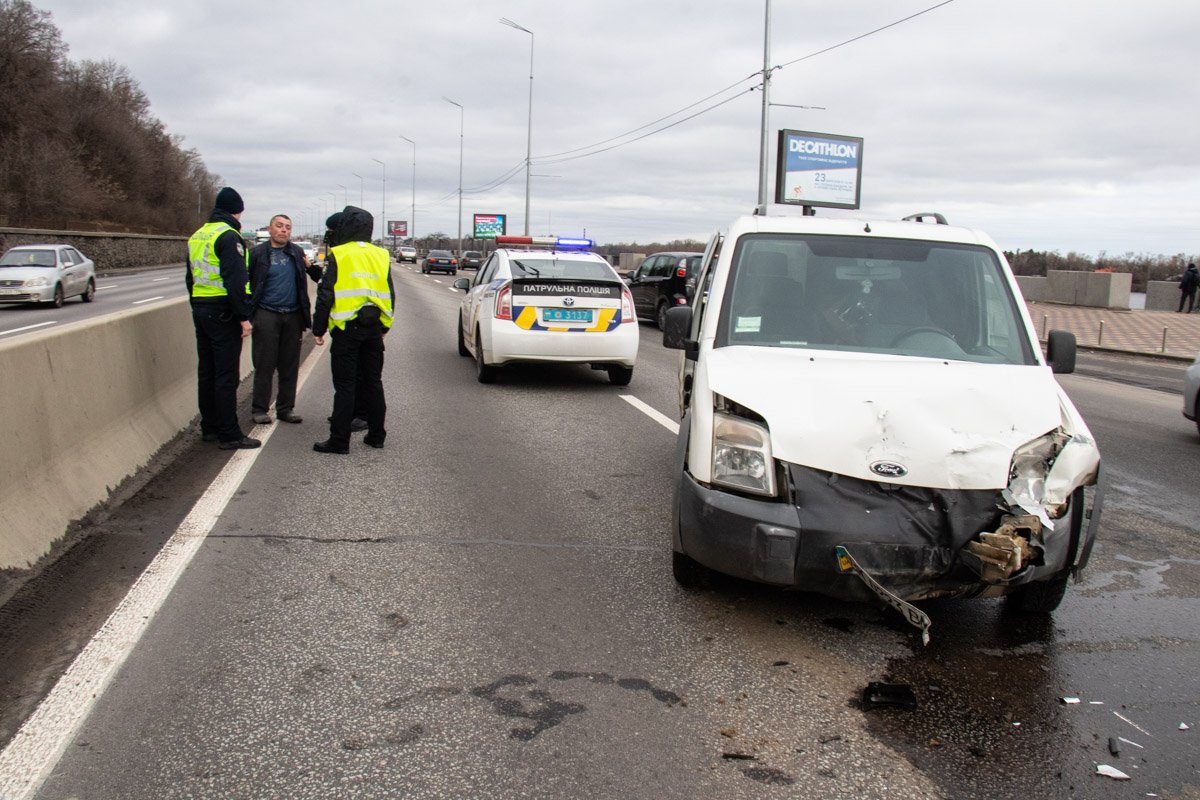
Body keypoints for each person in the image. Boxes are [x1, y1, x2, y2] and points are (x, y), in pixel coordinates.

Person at [311, 206, 394, 454]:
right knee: (373, 383)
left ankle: (339, 441)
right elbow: (390, 293)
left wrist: (318, 329)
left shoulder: (339, 254)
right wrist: (385, 326)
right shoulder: (381, 255)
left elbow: (325, 294)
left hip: (347, 329)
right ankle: (376, 436)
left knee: (345, 386)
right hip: (373, 328)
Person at [186, 187, 260, 450]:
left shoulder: (197, 235)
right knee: (226, 375)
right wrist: (243, 317)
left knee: (207, 371)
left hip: (201, 308)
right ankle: (230, 434)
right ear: (237, 211)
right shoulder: (229, 236)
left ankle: (210, 427)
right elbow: (235, 280)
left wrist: (197, 304)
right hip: (223, 310)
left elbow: (190, 277)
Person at [247, 214, 322, 424]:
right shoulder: (257, 254)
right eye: (279, 226)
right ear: (270, 229)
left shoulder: (296, 253)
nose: (284, 230)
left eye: (288, 227)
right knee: (264, 364)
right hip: (266, 313)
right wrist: (247, 313)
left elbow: (316, 275)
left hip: (293, 315)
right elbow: (246, 282)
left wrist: (312, 268)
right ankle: (259, 409)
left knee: (289, 365)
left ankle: (285, 408)